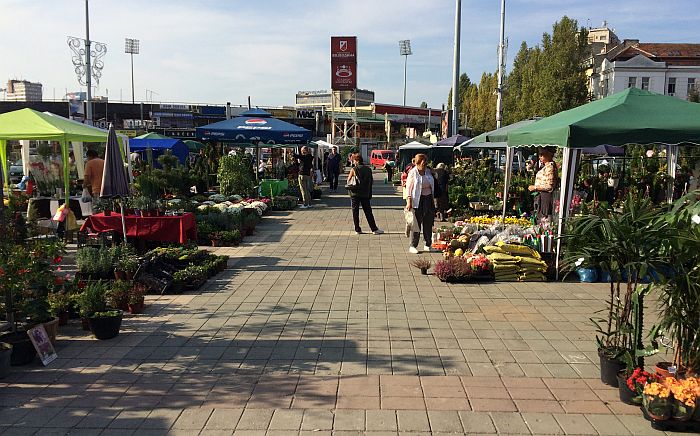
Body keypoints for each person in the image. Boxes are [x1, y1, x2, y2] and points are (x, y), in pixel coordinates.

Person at [405, 153, 435, 253]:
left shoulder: (428, 171)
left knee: (428, 222)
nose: (424, 165)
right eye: (422, 163)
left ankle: (428, 244)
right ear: (417, 163)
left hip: (428, 199)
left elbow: (434, 182)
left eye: (425, 163)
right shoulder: (413, 172)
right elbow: (408, 188)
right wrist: (409, 201)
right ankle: (413, 245)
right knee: (416, 223)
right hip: (417, 200)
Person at [347, 153, 383, 235]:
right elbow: (371, 182)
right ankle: (374, 229)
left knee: (355, 212)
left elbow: (348, 181)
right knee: (368, 211)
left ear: (356, 161)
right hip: (365, 193)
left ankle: (357, 229)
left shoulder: (354, 169)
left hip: (355, 193)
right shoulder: (368, 169)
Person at [528, 147, 557, 222]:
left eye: (542, 154)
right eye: (540, 155)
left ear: (549, 155)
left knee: (545, 218)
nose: (540, 157)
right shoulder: (546, 166)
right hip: (542, 195)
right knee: (541, 218)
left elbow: (549, 186)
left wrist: (535, 187)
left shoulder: (550, 167)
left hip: (546, 196)